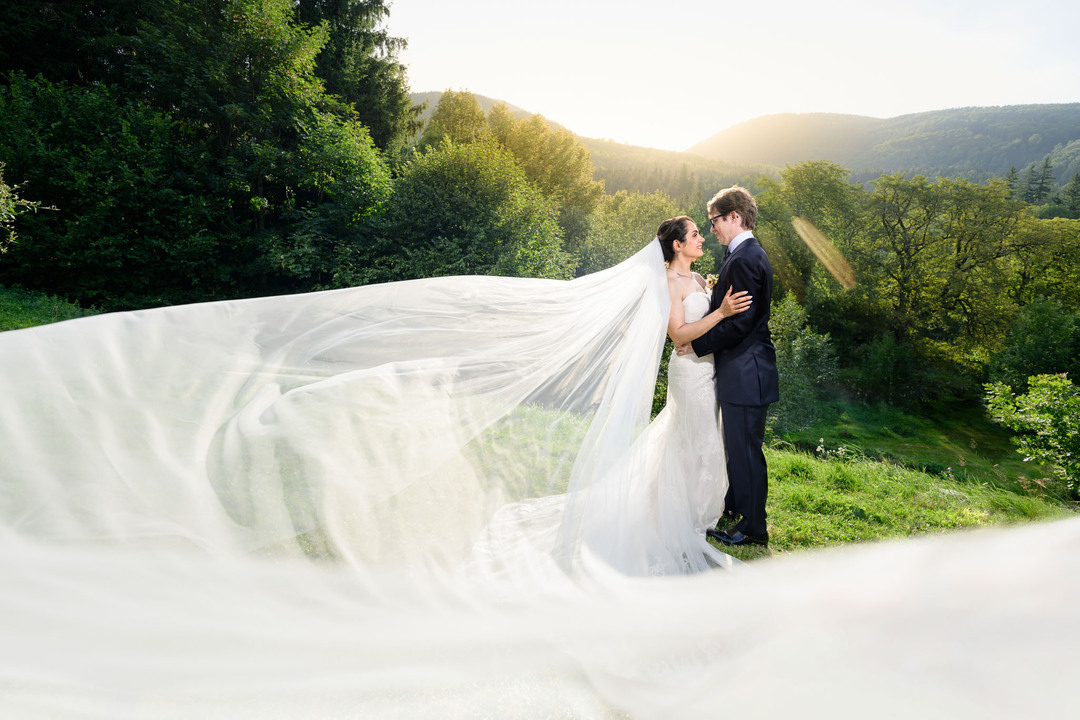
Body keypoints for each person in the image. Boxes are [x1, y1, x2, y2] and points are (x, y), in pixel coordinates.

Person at [680, 186, 778, 547]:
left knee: (746, 452)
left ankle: (754, 527)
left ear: (734, 216)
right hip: (741, 370)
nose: (712, 230)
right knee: (736, 448)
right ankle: (737, 508)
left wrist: (696, 344)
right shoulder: (739, 255)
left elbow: (742, 323)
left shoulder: (746, 259)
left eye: (715, 221)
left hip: (747, 371)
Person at [654, 215, 751, 541]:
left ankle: (686, 505)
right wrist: (721, 312)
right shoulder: (669, 283)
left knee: (693, 441)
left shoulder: (696, 277)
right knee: (705, 444)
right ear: (677, 245)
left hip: (709, 369)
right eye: (695, 234)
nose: (702, 238)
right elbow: (679, 336)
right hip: (689, 371)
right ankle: (696, 518)